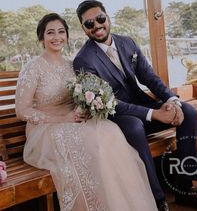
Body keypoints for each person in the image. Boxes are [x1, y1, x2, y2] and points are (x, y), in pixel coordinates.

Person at [73, 0, 197, 211]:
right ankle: (157, 199)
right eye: (89, 23)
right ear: (83, 29)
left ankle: (186, 188)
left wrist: (172, 102)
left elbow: (150, 78)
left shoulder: (127, 43)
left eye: (100, 18)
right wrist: (153, 114)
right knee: (135, 128)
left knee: (188, 111)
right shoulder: (83, 60)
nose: (97, 26)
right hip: (117, 117)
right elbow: (109, 103)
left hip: (142, 105)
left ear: (108, 17)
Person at [15, 13, 159, 211]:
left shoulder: (71, 65)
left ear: (66, 35)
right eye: (50, 33)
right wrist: (62, 118)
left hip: (73, 120)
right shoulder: (33, 68)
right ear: (41, 37)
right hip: (45, 129)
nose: (57, 37)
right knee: (94, 144)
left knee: (110, 132)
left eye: (61, 32)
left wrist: (86, 108)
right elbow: (21, 111)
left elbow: (81, 94)